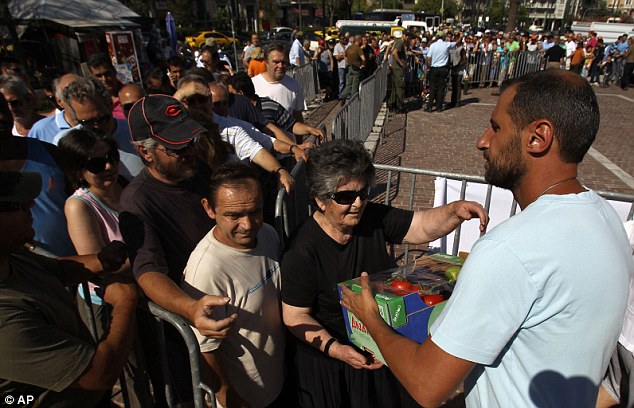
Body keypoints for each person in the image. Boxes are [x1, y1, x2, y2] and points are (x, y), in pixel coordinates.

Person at [340, 70, 633, 407]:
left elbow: (426, 385)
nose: (483, 140)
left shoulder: (509, 249)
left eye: (496, 127)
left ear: (538, 137)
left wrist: (372, 320)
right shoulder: (608, 217)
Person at [281, 139, 488, 407]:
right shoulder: (302, 250)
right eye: (344, 197)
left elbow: (421, 226)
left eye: (363, 193)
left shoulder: (371, 217)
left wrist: (454, 212)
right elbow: (295, 315)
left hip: (379, 342)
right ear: (320, 200)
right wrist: (338, 350)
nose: (357, 203)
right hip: (336, 361)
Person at [120, 94, 236, 405]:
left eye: (191, 141)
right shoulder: (137, 201)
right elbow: (147, 272)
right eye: (176, 147)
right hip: (188, 332)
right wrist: (190, 309)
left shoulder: (196, 168)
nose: (189, 152)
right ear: (145, 152)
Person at [0, 169, 136, 408]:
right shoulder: (5, 320)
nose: (31, 204)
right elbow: (98, 375)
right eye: (17, 205)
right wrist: (124, 304)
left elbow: (54, 269)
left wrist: (100, 261)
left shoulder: (11, 258)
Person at [182, 163, 287, 408]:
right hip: (246, 398)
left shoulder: (268, 234)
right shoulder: (206, 270)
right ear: (209, 209)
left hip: (277, 381)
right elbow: (204, 349)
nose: (248, 225)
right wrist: (228, 396)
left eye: (255, 211)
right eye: (234, 216)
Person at [252, 42, 306, 123]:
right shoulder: (253, 84)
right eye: (276, 62)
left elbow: (297, 116)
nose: (280, 66)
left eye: (284, 62)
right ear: (266, 62)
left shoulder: (294, 85)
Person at [27, 73, 79, 144]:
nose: (77, 100)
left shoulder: (96, 122)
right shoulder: (41, 129)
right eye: (69, 95)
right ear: (59, 102)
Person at [86, 53, 125, 120]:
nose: (104, 79)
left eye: (107, 73)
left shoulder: (130, 96)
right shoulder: (93, 101)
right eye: (99, 76)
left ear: (114, 70)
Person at [425, 32, 453, 112]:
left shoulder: (433, 45)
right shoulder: (446, 45)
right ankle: (439, 107)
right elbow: (455, 43)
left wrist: (428, 67)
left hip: (433, 68)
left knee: (432, 88)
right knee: (441, 89)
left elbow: (428, 58)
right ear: (443, 37)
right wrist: (461, 36)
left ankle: (429, 107)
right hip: (442, 68)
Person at [340, 35, 366, 105]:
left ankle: (343, 97)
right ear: (359, 41)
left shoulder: (349, 47)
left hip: (350, 68)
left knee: (349, 85)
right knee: (355, 86)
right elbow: (363, 58)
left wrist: (348, 61)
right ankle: (353, 102)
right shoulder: (358, 49)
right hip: (356, 69)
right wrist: (362, 65)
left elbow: (344, 55)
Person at [389, 30, 407, 113]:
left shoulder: (397, 42)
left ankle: (393, 104)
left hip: (395, 68)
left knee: (394, 87)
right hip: (398, 69)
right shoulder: (400, 42)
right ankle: (399, 106)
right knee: (400, 87)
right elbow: (394, 53)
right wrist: (401, 63)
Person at [448, 33, 467, 109]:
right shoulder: (453, 48)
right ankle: (453, 101)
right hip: (453, 69)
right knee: (454, 85)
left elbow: (464, 59)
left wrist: (458, 65)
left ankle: (457, 101)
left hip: (459, 70)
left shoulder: (462, 48)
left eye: (456, 38)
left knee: (458, 86)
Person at [334, 35, 348, 103]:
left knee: (347, 81)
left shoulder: (348, 45)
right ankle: (341, 95)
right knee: (342, 82)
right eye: (342, 39)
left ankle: (347, 94)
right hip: (341, 66)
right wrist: (342, 55)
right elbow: (336, 57)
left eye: (344, 39)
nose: (343, 40)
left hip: (347, 65)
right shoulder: (337, 46)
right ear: (339, 39)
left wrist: (342, 55)